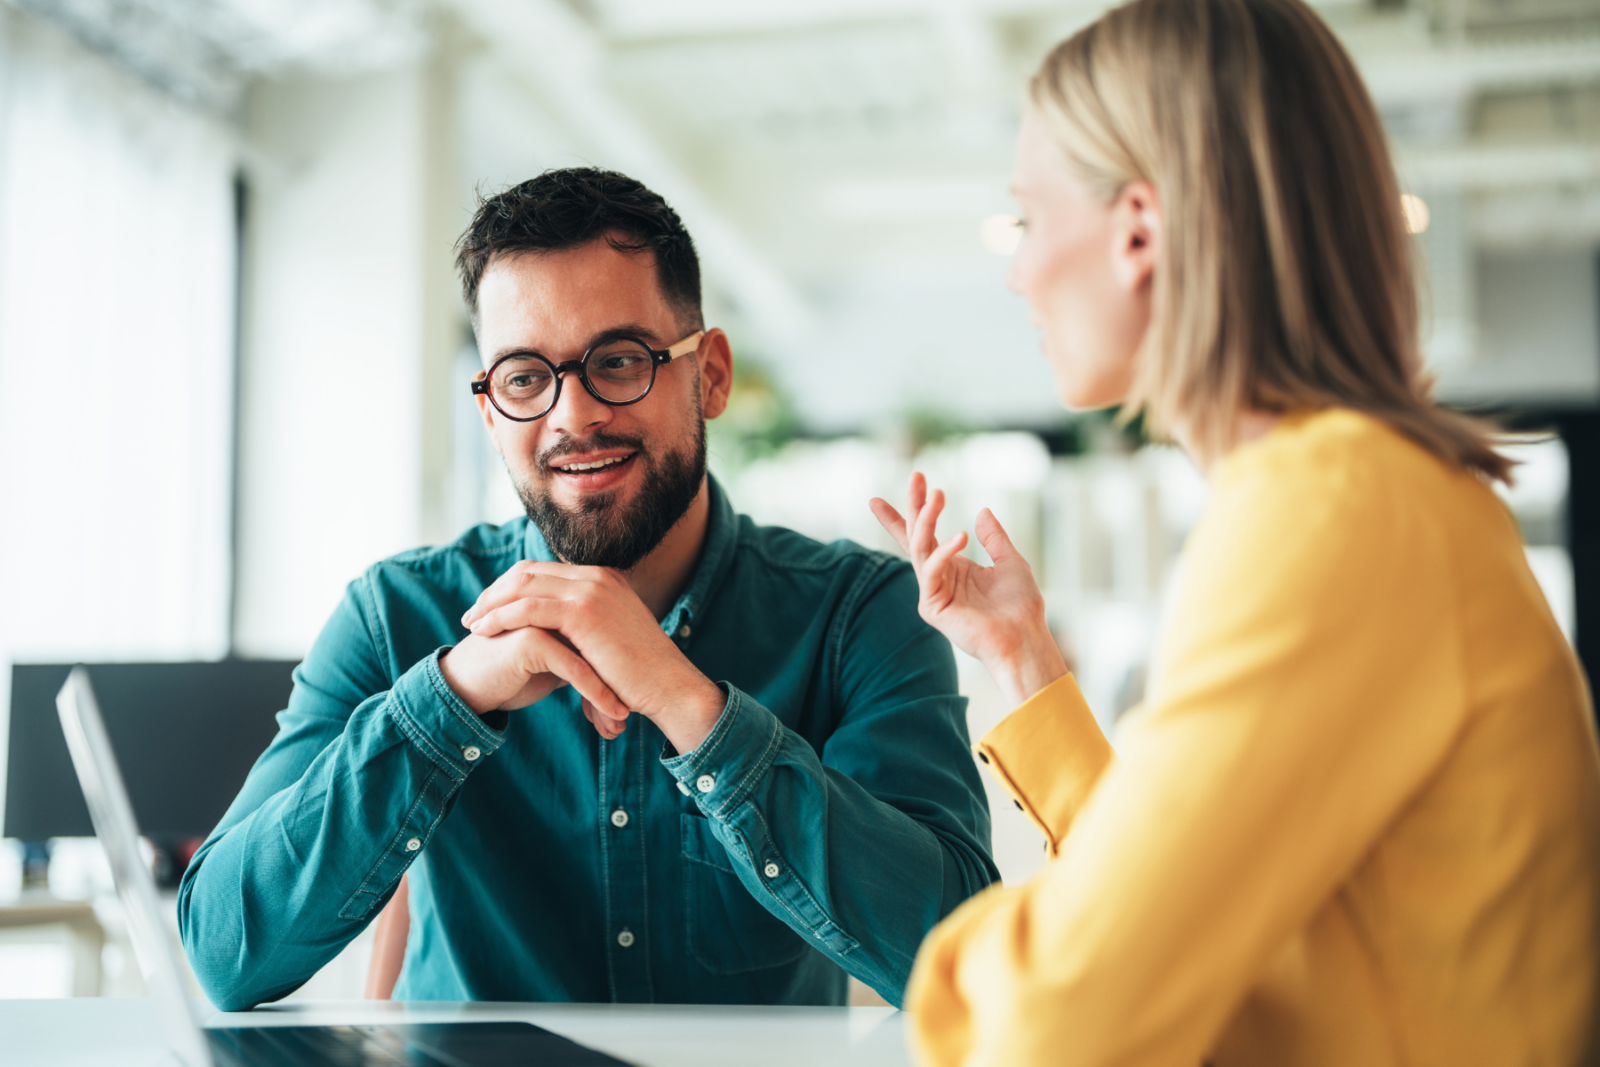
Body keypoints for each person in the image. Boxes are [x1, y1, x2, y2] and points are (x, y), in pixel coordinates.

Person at [871, 0, 1600, 1062]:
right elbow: (1184, 889)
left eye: (1027, 221)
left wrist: (921, 954)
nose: (1017, 271)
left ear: (1138, 232)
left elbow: (1069, 1012)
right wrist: (1024, 655)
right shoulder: (1370, 492)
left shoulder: (1333, 510)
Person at [178, 168, 997, 1010]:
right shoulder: (396, 616)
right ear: (491, 409)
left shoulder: (855, 613)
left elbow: (967, 960)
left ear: (709, 374)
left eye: (618, 360)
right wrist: (449, 697)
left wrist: (690, 705)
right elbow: (223, 950)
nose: (572, 416)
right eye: (525, 377)